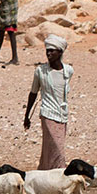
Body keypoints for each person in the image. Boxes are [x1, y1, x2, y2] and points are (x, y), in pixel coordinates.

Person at [24, 34, 73, 170]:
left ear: (60, 52)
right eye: (47, 50)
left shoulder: (68, 71)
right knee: (57, 149)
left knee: (50, 148)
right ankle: (60, 173)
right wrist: (27, 115)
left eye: (52, 51)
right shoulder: (40, 71)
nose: (49, 53)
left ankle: (45, 173)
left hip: (62, 115)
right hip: (47, 114)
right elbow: (33, 93)